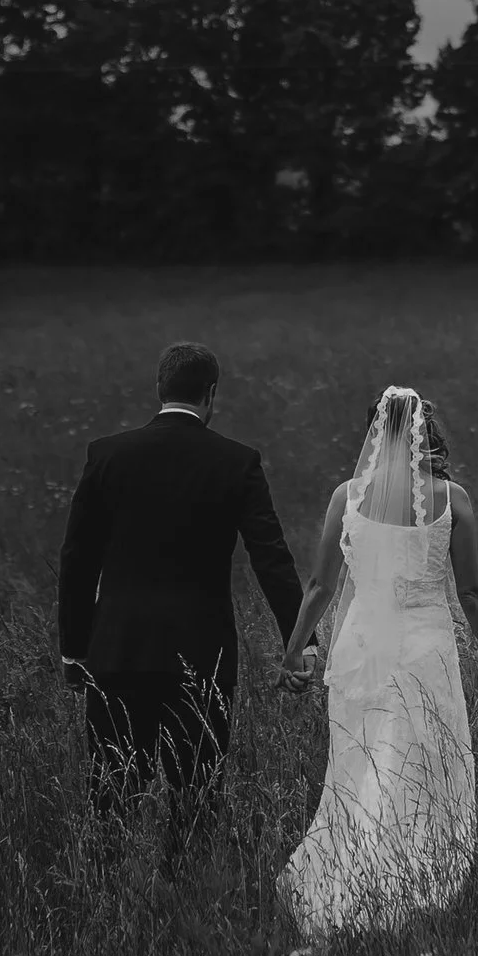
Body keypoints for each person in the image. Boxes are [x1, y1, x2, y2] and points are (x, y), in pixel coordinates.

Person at [274, 386, 478, 936]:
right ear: (426, 433)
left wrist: (294, 650)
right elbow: (472, 594)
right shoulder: (453, 500)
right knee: (414, 765)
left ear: (376, 433)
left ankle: (354, 875)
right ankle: (394, 889)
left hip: (361, 649)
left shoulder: (346, 496)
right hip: (423, 651)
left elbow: (323, 583)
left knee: (359, 764)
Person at [56, 342, 307, 855]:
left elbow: (76, 560)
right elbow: (272, 559)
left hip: (118, 651)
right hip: (202, 655)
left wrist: (74, 650)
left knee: (111, 796)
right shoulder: (237, 462)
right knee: (196, 798)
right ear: (211, 393)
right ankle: (185, 892)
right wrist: (300, 643)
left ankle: (111, 903)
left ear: (159, 390)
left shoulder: (107, 454)